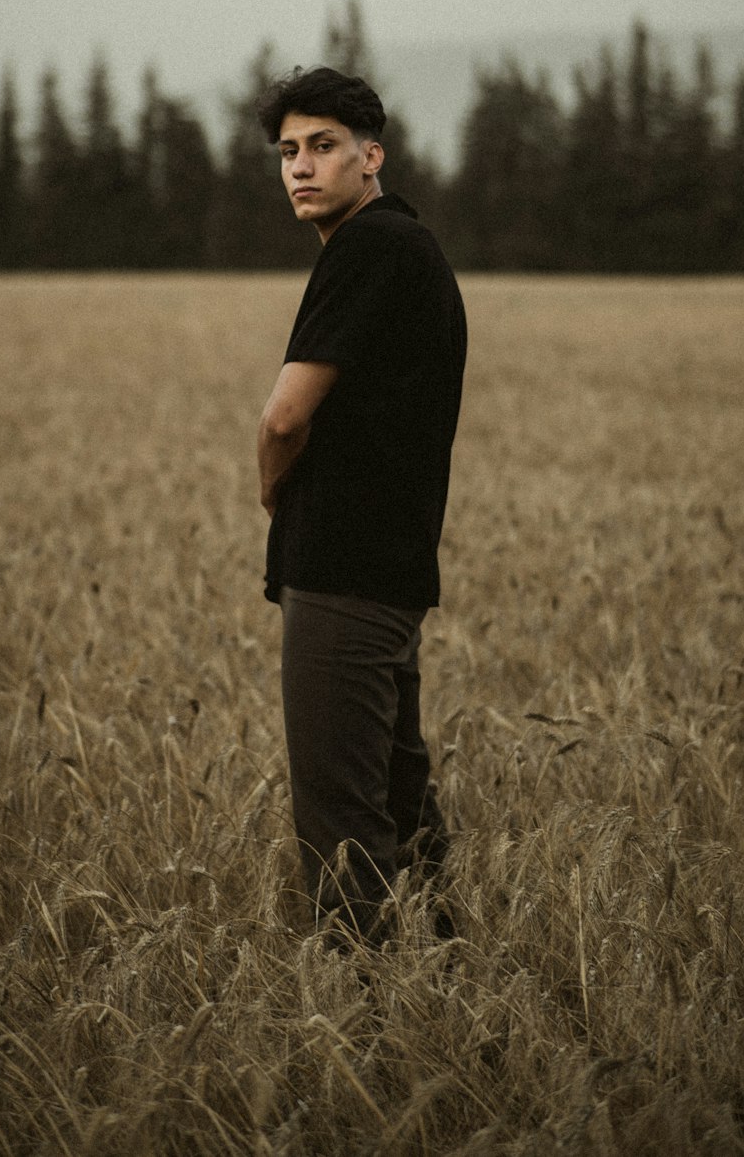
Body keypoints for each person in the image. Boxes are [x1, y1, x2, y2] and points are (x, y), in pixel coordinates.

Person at [256, 65, 467, 943]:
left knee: (341, 825)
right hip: (389, 572)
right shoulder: (402, 246)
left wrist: (274, 494)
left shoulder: (369, 247)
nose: (302, 166)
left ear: (371, 155)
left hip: (342, 573)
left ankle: (370, 1026)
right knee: (396, 800)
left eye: (324, 146)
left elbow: (283, 415)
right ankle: (455, 983)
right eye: (288, 151)